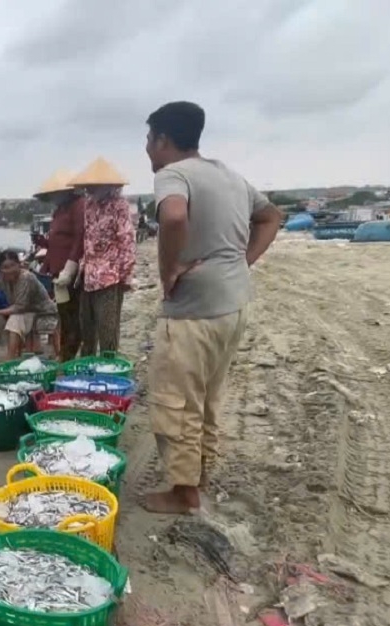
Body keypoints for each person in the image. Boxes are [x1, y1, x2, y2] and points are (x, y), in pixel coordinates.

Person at [141, 101, 284, 514]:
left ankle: (184, 493)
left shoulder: (173, 174)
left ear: (164, 140)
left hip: (195, 311)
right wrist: (240, 262)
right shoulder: (227, 174)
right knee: (207, 396)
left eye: (149, 140)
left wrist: (169, 269)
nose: (147, 149)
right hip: (233, 305)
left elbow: (172, 218)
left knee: (176, 400)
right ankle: (199, 474)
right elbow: (271, 217)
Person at [69, 157, 137, 356]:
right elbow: (87, 239)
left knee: (107, 328)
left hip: (110, 276)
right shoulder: (89, 205)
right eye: (88, 186)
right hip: (88, 275)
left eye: (94, 186)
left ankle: (109, 368)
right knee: (87, 328)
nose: (90, 190)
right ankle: (87, 369)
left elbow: (127, 241)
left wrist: (125, 276)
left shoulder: (119, 205)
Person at [0, 250, 59, 366]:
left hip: (38, 311)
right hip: (18, 310)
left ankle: (10, 358)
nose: (10, 270)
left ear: (19, 265)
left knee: (16, 319)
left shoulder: (26, 278)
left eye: (13, 265)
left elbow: (20, 307)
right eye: (5, 267)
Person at [36, 170, 86, 360]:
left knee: (72, 317)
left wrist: (70, 268)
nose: (53, 197)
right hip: (58, 272)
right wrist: (43, 245)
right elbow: (57, 243)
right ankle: (65, 353)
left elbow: (79, 238)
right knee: (64, 314)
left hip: (70, 273)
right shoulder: (59, 211)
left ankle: (68, 355)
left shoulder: (78, 206)